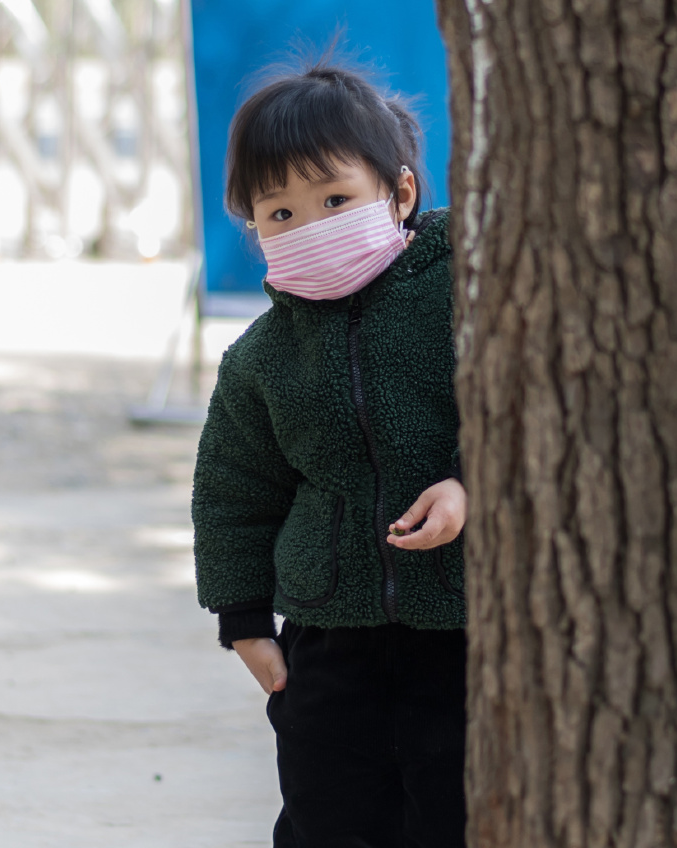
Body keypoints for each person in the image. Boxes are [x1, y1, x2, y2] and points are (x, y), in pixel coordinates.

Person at [191, 60, 468, 848]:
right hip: (328, 633)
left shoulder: (464, 296)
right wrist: (242, 619)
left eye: (335, 200)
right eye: (279, 212)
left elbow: (526, 412)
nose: (309, 227)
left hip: (464, 622)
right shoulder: (261, 357)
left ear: (401, 193)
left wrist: (466, 486)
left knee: (456, 813)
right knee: (327, 815)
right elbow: (233, 490)